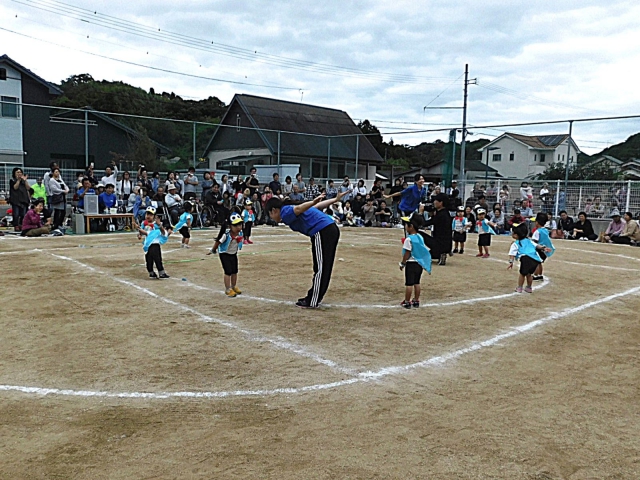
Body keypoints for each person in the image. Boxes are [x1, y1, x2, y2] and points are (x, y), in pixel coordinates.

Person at [265, 189, 349, 308]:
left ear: (274, 210)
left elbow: (301, 208)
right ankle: (314, 297)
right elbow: (317, 206)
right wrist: (335, 200)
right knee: (323, 267)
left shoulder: (285, 211)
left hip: (322, 230)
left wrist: (312, 201)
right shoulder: (290, 209)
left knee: (320, 268)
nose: (272, 218)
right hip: (329, 229)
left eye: (270, 215)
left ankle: (313, 300)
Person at [207, 212, 244, 297]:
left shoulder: (240, 233)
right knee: (228, 271)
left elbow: (240, 242)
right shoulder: (226, 235)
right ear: (230, 226)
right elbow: (218, 242)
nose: (239, 227)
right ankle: (228, 289)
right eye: (236, 225)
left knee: (235, 270)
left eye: (240, 225)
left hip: (233, 253)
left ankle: (234, 286)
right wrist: (213, 250)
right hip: (224, 254)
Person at [399, 215, 432, 309]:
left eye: (406, 225)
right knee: (417, 282)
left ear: (411, 226)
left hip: (411, 263)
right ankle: (416, 300)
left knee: (409, 283)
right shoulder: (420, 237)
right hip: (419, 263)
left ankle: (407, 301)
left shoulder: (409, 239)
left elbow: (407, 253)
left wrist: (403, 262)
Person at [508, 223, 546, 294]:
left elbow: (512, 254)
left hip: (526, 258)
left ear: (516, 235)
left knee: (522, 274)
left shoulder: (515, 243)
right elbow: (537, 246)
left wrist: (511, 262)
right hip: (535, 259)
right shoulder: (529, 240)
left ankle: (519, 287)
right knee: (529, 274)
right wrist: (543, 247)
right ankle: (529, 287)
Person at [138, 209, 171, 279]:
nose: (148, 216)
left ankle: (161, 273)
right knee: (148, 259)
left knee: (157, 259)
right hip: (148, 244)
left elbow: (162, 232)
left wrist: (160, 225)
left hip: (155, 244)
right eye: (147, 214)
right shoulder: (144, 223)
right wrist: (139, 235)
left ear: (154, 216)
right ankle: (151, 272)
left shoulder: (156, 224)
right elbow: (141, 231)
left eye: (150, 215)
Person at [422, 193, 452, 266]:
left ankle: (441, 253)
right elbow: (431, 209)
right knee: (429, 255)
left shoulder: (441, 215)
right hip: (446, 244)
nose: (434, 202)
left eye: (436, 201)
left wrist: (420, 213)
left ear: (441, 202)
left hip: (439, 244)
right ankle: (441, 254)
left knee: (418, 233)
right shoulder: (444, 212)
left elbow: (426, 223)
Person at [531, 212, 555, 281]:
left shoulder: (537, 231)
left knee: (536, 262)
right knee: (539, 262)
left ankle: (536, 275)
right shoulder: (545, 230)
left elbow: (534, 242)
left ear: (537, 223)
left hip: (539, 249)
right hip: (545, 250)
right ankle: (540, 275)